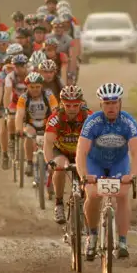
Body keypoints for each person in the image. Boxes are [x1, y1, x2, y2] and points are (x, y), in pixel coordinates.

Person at [76, 82, 137, 260]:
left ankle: (122, 240)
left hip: (118, 163)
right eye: (107, 103)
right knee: (92, 194)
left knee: (122, 195)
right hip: (94, 163)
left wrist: (133, 175)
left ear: (120, 103)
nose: (111, 107)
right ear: (100, 104)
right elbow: (81, 151)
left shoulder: (128, 122)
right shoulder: (93, 122)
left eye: (114, 103)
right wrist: (84, 175)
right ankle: (92, 235)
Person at [44, 85, 90, 224]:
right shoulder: (55, 118)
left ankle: (86, 201)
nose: (71, 109)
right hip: (62, 151)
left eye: (75, 105)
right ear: (62, 104)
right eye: (67, 105)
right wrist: (49, 162)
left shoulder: (89, 117)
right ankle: (58, 203)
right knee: (59, 166)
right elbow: (47, 143)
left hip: (83, 152)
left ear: (81, 103)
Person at [14, 72, 59, 179]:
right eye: (32, 87)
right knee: (29, 136)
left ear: (41, 86)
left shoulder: (48, 95)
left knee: (51, 141)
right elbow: (19, 114)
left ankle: (51, 163)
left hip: (46, 122)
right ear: (27, 86)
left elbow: (55, 111)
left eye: (37, 87)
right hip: (31, 123)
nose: (35, 89)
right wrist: (19, 128)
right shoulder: (23, 97)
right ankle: (29, 162)